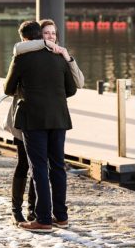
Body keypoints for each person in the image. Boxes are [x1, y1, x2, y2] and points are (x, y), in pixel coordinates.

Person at [5, 20, 84, 225]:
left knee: (38, 168)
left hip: (34, 119)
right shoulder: (59, 58)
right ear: (41, 35)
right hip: (59, 118)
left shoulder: (22, 58)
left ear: (24, 38)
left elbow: (8, 88)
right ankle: (61, 216)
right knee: (57, 167)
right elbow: (72, 89)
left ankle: (43, 219)